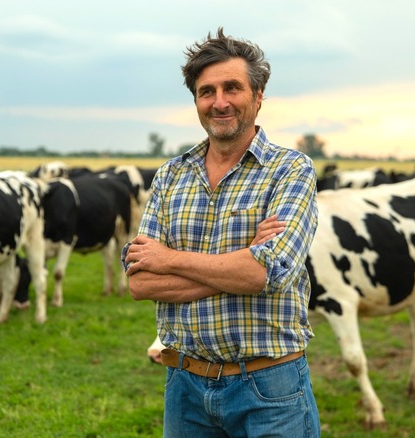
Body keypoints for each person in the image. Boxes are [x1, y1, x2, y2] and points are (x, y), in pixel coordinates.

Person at [122, 28, 320, 437]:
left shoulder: (290, 170)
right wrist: (242, 260)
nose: (220, 102)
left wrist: (170, 259)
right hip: (185, 387)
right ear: (196, 100)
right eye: (206, 91)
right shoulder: (171, 175)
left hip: (269, 388)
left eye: (233, 88)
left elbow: (265, 273)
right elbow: (141, 282)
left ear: (258, 95)